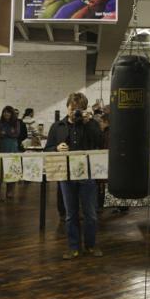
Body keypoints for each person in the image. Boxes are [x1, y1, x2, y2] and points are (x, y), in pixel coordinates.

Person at [45, 92, 104, 259]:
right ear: (67, 107)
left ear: (84, 110)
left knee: (90, 214)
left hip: (88, 174)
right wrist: (56, 148)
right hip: (66, 174)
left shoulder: (90, 124)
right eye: (72, 109)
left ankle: (91, 246)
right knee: (70, 214)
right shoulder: (57, 127)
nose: (75, 112)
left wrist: (90, 122)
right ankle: (73, 247)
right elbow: (47, 149)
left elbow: (100, 143)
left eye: (79, 109)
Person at [0, 105, 21, 199]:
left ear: (12, 114)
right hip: (1, 148)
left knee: (11, 170)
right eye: (4, 112)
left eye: (8, 112)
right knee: (0, 171)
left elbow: (16, 134)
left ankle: (10, 191)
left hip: (12, 149)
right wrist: (6, 133)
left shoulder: (16, 123)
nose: (6, 113)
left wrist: (5, 133)